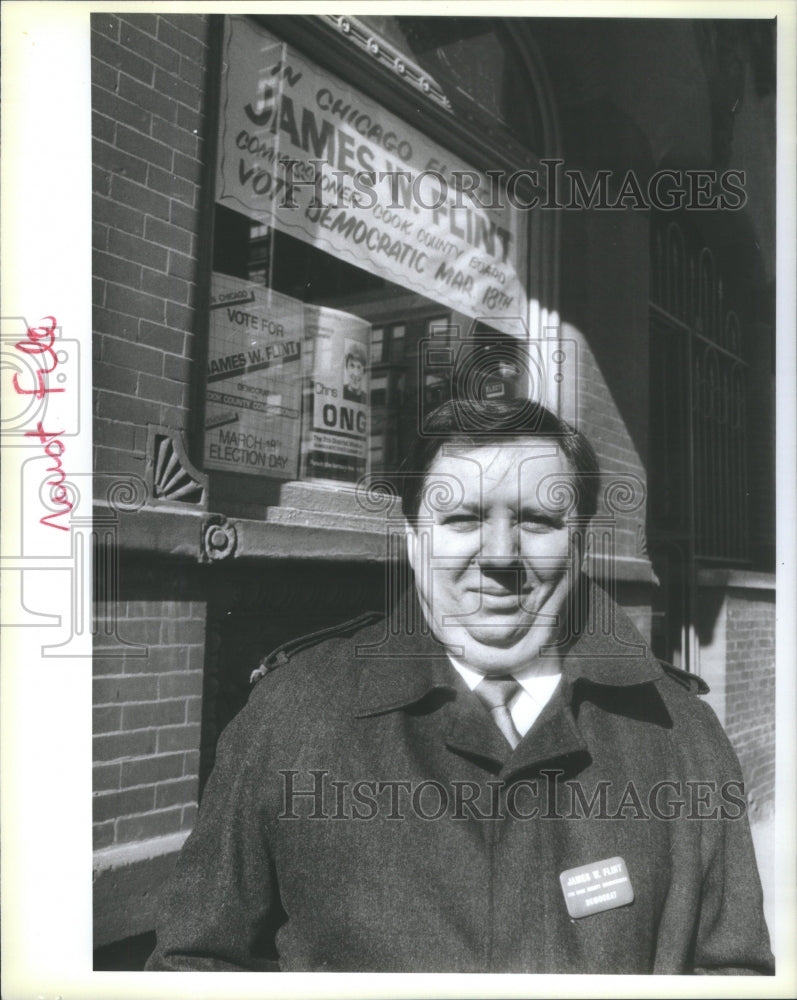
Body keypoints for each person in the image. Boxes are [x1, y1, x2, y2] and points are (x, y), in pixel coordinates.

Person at [147, 398, 774, 974]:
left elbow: (734, 972)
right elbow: (196, 965)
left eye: (536, 520)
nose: (500, 556)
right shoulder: (290, 718)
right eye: (464, 518)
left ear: (579, 548)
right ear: (416, 544)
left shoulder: (682, 736)